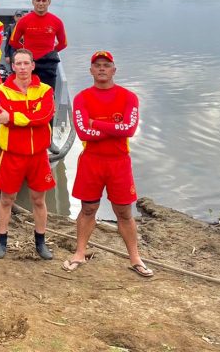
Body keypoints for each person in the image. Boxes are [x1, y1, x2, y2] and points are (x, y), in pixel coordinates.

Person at [63, 51, 152, 278]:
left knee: (124, 211)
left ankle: (135, 258)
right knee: (88, 208)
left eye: (106, 65)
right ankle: (79, 253)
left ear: (114, 70)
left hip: (119, 162)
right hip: (91, 161)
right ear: (91, 70)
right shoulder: (82, 98)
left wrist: (96, 123)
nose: (101, 68)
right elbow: (83, 132)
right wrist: (112, 128)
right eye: (97, 65)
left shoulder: (128, 97)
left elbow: (129, 130)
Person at [0, 49, 56, 261]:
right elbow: (2, 116)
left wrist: (16, 117)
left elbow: (45, 115)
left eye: (26, 63)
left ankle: (40, 242)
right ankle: (1, 241)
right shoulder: (2, 90)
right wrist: (30, 116)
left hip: (38, 154)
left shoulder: (45, 90)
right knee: (7, 199)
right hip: (12, 153)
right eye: (18, 63)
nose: (22, 68)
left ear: (33, 65)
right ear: (13, 66)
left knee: (38, 199)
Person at [8, 0, 67, 92]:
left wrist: (51, 51)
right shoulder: (23, 21)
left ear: (49, 2)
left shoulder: (57, 21)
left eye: (44, 1)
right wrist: (25, 53)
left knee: (47, 93)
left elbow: (63, 43)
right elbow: (13, 41)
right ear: (33, 2)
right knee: (27, 92)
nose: (41, 4)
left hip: (48, 64)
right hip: (29, 62)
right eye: (38, 0)